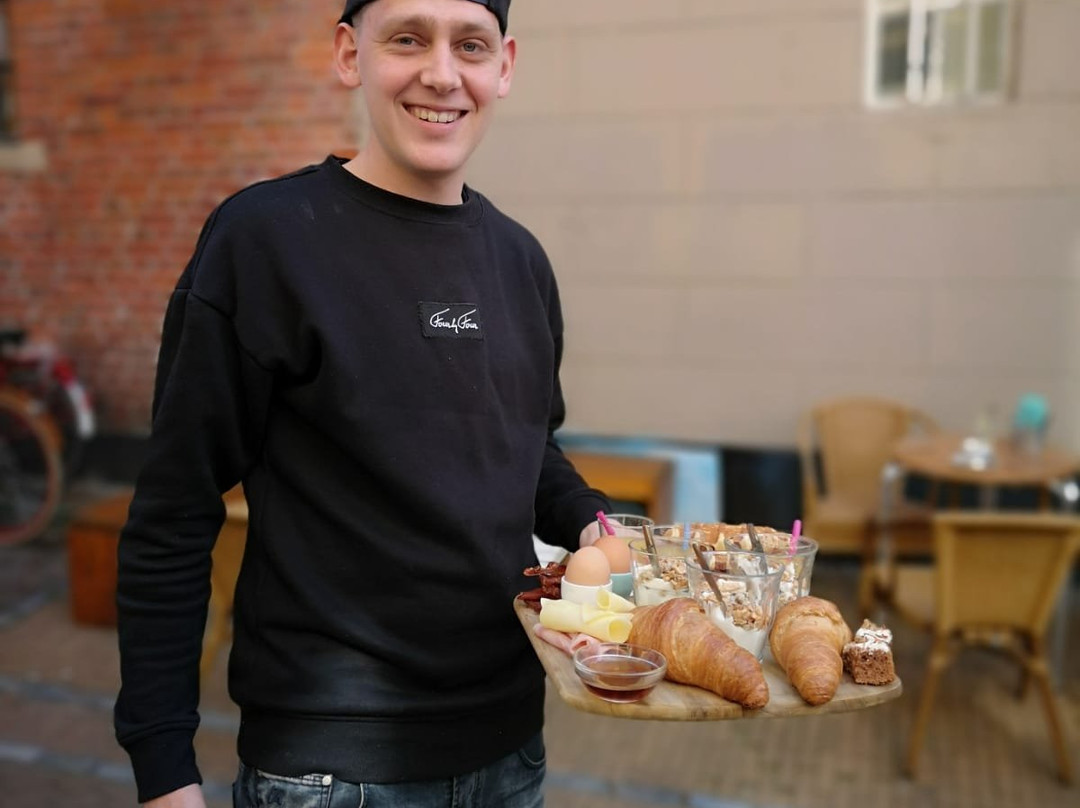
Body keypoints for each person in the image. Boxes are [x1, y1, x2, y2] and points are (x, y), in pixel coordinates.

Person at [113, 1, 611, 806]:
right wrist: (163, 768)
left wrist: (589, 519)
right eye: (408, 38)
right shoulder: (268, 241)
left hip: (511, 753)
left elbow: (526, 447)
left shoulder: (521, 261)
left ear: (505, 67)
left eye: (471, 45)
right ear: (351, 54)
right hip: (329, 771)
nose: (442, 74)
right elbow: (173, 511)